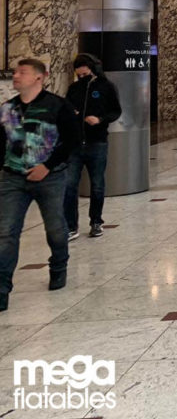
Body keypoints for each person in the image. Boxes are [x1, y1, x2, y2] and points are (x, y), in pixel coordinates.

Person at [0, 58, 80, 312]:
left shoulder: (57, 106)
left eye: (22, 72)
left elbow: (72, 140)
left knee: (55, 227)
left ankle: (58, 265)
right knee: (6, 232)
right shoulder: (8, 108)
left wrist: (47, 166)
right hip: (13, 177)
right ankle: (2, 288)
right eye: (15, 72)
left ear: (39, 77)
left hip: (50, 177)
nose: (16, 76)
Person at [64, 53, 122, 239]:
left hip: (97, 142)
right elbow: (65, 110)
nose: (82, 78)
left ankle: (96, 221)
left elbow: (115, 111)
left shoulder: (106, 87)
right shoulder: (74, 89)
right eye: (79, 75)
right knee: (70, 185)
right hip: (75, 144)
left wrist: (100, 119)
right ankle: (71, 226)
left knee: (97, 184)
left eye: (85, 74)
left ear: (93, 70)